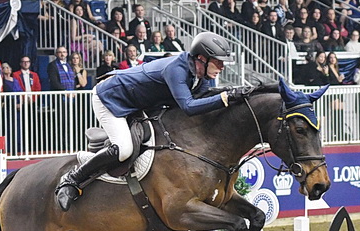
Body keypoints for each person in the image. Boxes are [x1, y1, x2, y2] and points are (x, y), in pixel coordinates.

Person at [55, 32, 247, 211]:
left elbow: (205, 97)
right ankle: (72, 180)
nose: (222, 67)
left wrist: (235, 93)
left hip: (138, 103)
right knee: (124, 149)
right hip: (111, 97)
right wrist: (226, 98)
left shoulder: (201, 75)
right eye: (218, 62)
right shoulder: (177, 69)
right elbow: (189, 106)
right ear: (202, 59)